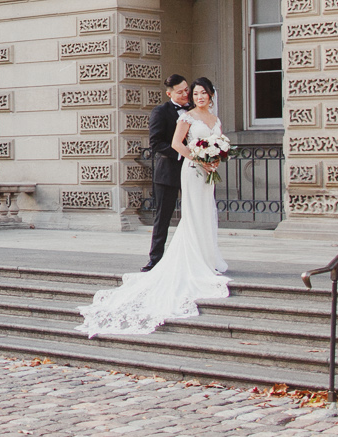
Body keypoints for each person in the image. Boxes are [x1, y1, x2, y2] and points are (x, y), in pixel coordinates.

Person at [78, 77, 230, 336]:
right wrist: (198, 158)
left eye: (201, 92)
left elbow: (220, 143)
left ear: (211, 95)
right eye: (193, 92)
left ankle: (208, 256)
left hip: (206, 172)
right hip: (188, 169)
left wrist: (215, 158)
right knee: (177, 215)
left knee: (207, 212)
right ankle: (158, 260)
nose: (196, 96)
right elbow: (171, 144)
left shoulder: (215, 120)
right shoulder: (183, 116)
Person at [141, 76, 191, 272]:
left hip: (194, 172)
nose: (185, 94)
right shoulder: (160, 112)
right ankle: (155, 259)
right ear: (169, 93)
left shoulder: (195, 109)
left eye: (186, 89)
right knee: (163, 217)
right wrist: (184, 153)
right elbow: (156, 143)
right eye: (180, 92)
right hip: (168, 172)